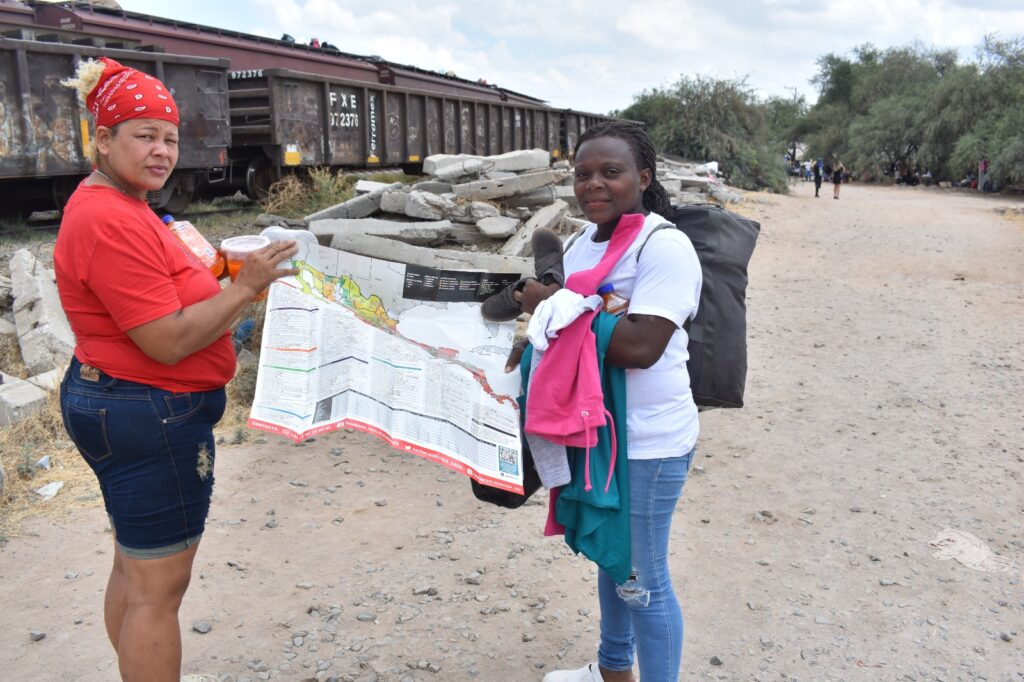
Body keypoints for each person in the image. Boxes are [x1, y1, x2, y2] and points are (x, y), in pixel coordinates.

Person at [54, 57, 297, 682]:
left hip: (124, 402)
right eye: (144, 135)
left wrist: (216, 275)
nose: (162, 151)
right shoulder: (111, 219)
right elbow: (164, 342)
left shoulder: (122, 203)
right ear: (102, 139)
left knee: (136, 572)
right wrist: (248, 289)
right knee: (157, 594)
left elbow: (158, 294)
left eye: (169, 137)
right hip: (148, 409)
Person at [504, 121, 701, 682]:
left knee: (642, 576)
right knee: (613, 557)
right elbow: (560, 331)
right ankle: (614, 670)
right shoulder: (579, 242)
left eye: (610, 172)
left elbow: (641, 345)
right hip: (593, 432)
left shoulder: (665, 245)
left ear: (643, 177)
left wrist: (561, 303)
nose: (594, 184)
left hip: (648, 439)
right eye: (583, 174)